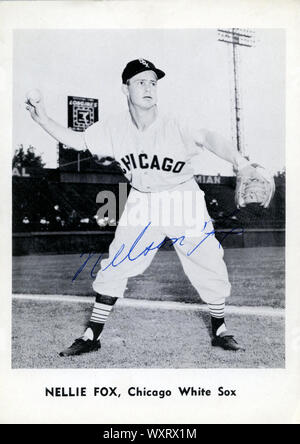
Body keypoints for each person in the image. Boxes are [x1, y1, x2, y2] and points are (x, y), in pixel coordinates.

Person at [26, 58, 249, 357]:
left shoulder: (176, 121)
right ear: (125, 88)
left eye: (153, 82)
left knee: (208, 262)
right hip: (142, 199)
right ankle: (92, 334)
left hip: (182, 197)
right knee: (117, 262)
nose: (149, 87)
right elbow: (78, 141)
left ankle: (220, 329)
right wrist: (42, 120)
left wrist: (240, 161)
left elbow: (210, 138)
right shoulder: (114, 127)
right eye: (141, 81)